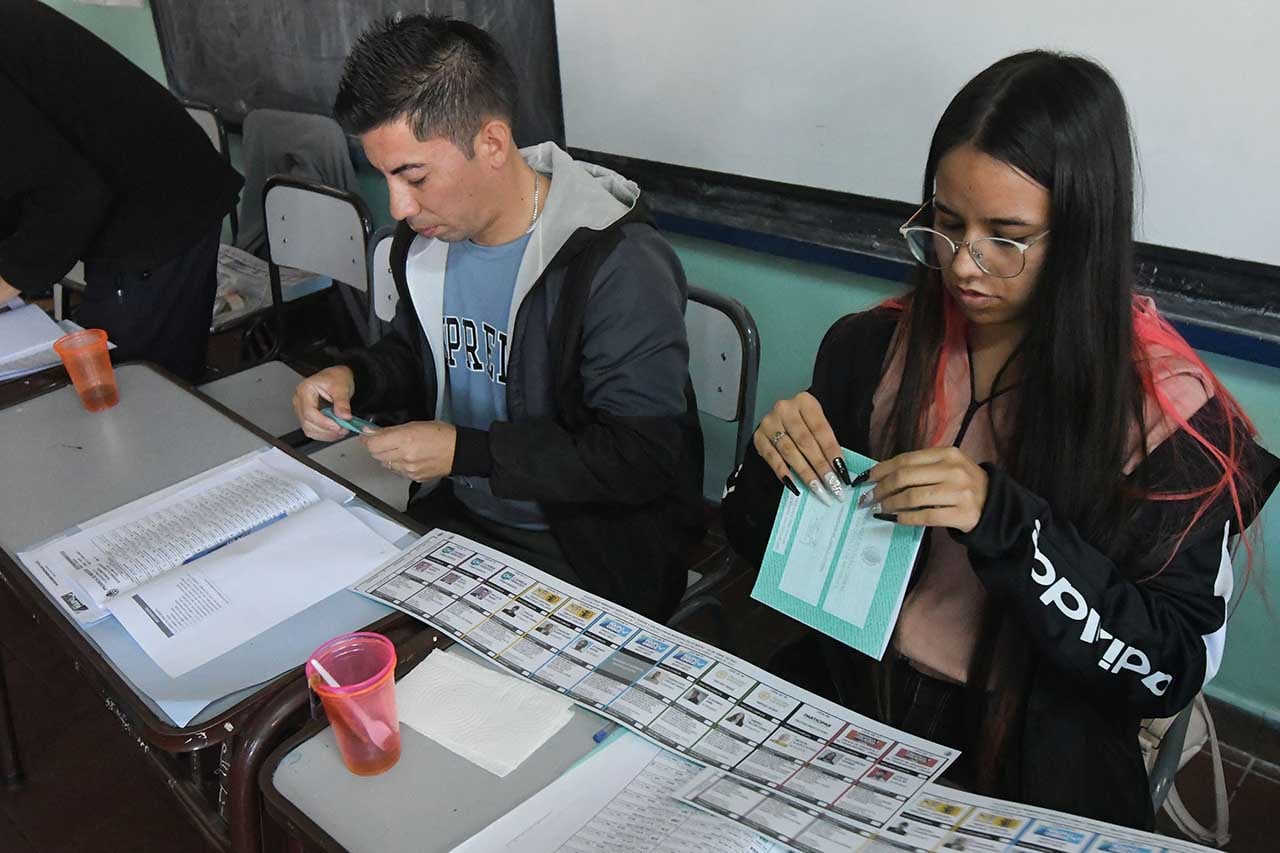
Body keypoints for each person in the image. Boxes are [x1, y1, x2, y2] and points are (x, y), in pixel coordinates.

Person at [721, 51, 1278, 828]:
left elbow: (1163, 669)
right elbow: (760, 545)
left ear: (1082, 235)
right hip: (857, 698)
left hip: (1033, 751)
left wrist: (1004, 521)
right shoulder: (875, 347)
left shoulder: (1171, 419)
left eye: (1006, 237)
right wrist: (773, 466)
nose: (964, 265)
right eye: (947, 225)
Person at [292, 15, 703, 620]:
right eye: (385, 178)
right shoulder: (427, 241)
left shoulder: (616, 263)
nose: (399, 207)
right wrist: (355, 378)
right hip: (460, 523)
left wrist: (468, 453)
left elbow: (639, 457)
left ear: (491, 143)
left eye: (414, 177)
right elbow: (419, 352)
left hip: (587, 557)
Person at [0, 0, 242, 381]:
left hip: (158, 206)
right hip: (129, 190)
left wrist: (6, 280)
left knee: (136, 383)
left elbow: (71, 192)